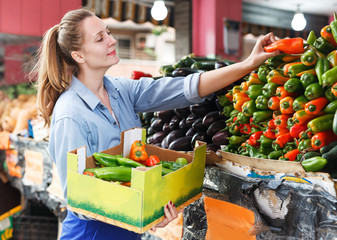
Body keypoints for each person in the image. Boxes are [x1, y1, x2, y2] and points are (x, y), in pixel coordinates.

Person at [32, 8, 279, 240]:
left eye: (108, 32)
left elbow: (185, 88)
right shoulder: (70, 115)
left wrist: (249, 64)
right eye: (100, 38)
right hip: (92, 232)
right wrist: (141, 209)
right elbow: (80, 199)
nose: (112, 40)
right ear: (78, 55)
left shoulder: (119, 91)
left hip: (127, 229)